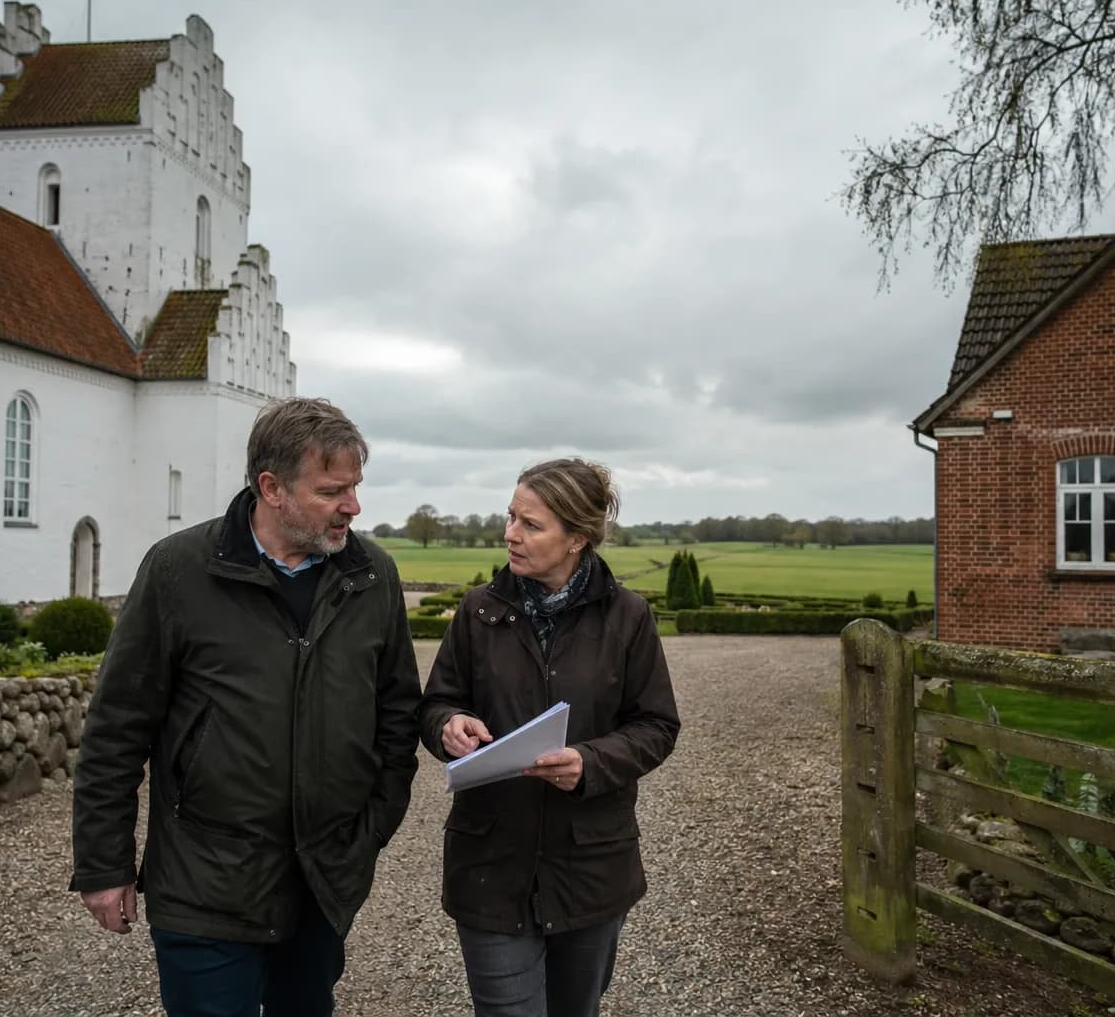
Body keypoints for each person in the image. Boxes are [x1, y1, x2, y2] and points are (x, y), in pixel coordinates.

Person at [70, 397, 422, 1017]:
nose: (353, 507)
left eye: (356, 487)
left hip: (322, 881)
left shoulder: (372, 575)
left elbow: (397, 712)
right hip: (204, 879)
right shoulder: (179, 569)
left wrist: (370, 828)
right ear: (272, 488)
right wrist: (104, 863)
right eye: (332, 490)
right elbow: (117, 727)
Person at [419, 458, 681, 1017]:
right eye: (511, 516)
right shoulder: (478, 611)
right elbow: (436, 703)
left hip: (591, 868)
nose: (510, 533)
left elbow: (657, 726)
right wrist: (448, 726)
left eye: (531, 524)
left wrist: (590, 762)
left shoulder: (629, 618)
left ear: (577, 539)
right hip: (489, 861)